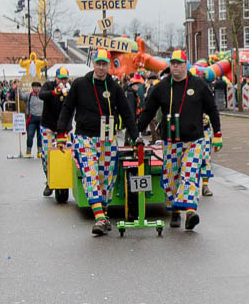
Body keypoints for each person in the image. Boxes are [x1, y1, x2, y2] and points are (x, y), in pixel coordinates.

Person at [134, 51, 221, 231]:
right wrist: (135, 132)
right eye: (173, 63)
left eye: (179, 63)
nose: (175, 66)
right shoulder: (161, 87)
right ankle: (175, 211)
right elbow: (149, 111)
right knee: (172, 178)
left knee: (189, 174)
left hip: (194, 141)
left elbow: (212, 109)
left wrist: (218, 133)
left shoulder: (199, 85)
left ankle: (190, 212)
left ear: (185, 65)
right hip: (171, 141)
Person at [54, 53, 138, 236]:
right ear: (93, 64)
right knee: (90, 175)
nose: (101, 67)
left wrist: (136, 137)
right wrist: (61, 133)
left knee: (107, 179)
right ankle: (99, 217)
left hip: (107, 139)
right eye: (98, 63)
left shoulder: (115, 87)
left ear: (108, 66)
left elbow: (127, 112)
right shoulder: (79, 84)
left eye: (104, 64)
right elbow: (67, 108)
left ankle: (103, 212)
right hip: (84, 137)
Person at [23, 82, 48, 157]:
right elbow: (20, 96)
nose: (36, 88)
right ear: (32, 87)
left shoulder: (43, 95)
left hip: (42, 118)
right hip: (32, 118)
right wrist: (16, 89)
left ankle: (39, 151)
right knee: (30, 135)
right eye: (34, 87)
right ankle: (28, 151)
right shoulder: (29, 95)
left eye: (38, 87)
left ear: (40, 88)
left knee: (40, 136)